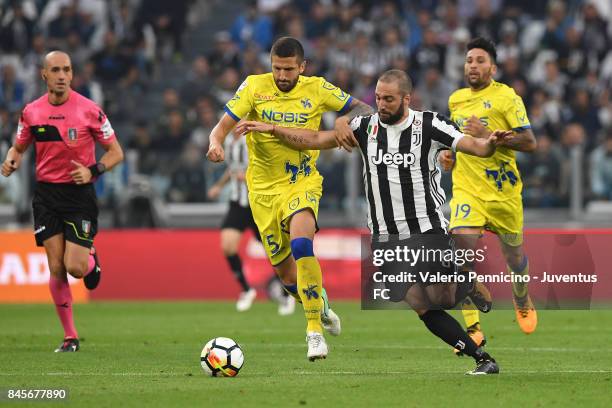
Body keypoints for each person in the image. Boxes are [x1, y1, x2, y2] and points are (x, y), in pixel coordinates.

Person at [236, 69, 513, 375]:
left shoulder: (431, 125)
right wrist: (273, 129)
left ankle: (464, 281)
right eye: (379, 98)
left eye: (389, 99)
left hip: (425, 228)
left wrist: (491, 143)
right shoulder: (365, 127)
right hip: (385, 236)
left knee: (443, 296)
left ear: (406, 99)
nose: (382, 104)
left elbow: (475, 148)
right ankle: (483, 358)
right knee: (423, 308)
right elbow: (315, 139)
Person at [207, 36, 373, 361]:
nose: (282, 76)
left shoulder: (317, 88)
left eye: (288, 69)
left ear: (302, 66)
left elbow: (363, 107)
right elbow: (221, 127)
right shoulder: (254, 87)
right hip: (263, 191)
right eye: (277, 68)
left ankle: (313, 331)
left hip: (302, 182)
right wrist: (216, 144)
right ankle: (320, 304)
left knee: (301, 245)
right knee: (286, 278)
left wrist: (343, 119)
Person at [1, 51, 124, 352]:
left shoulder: (90, 110)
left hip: (79, 195)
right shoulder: (31, 112)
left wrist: (93, 170)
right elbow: (20, 146)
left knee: (76, 270)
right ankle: (70, 337)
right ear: (44, 74)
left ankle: (91, 259)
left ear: (72, 74)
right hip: (46, 196)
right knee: (55, 267)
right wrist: (11, 160)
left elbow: (116, 153)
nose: (61, 75)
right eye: (55, 70)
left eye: (66, 70)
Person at [439, 38, 537, 351]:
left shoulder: (506, 97)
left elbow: (529, 142)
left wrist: (487, 136)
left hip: (504, 193)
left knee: (515, 259)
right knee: (460, 255)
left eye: (480, 60)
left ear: (492, 67)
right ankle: (473, 329)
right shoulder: (455, 100)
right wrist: (449, 156)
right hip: (468, 190)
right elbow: (454, 139)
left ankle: (521, 298)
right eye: (469, 60)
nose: (473, 65)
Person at [207, 130, 295, 315]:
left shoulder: (254, 137)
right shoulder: (230, 140)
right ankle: (247, 290)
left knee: (275, 252)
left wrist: (248, 176)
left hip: (259, 203)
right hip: (237, 202)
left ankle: (288, 294)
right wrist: (219, 185)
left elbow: (270, 166)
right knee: (228, 247)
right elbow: (232, 168)